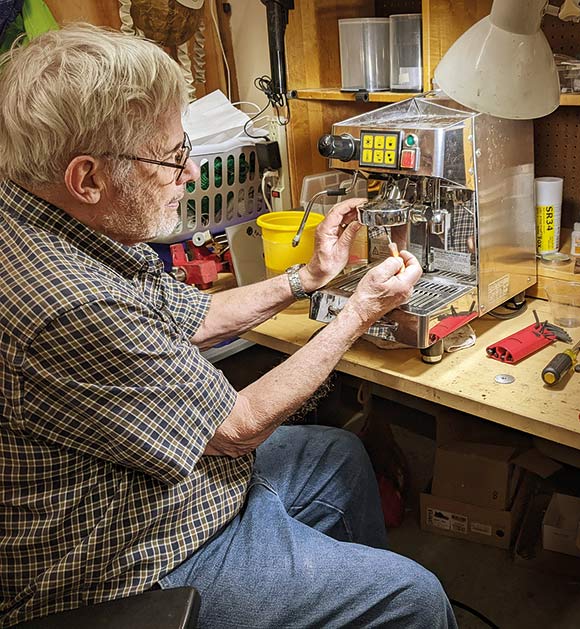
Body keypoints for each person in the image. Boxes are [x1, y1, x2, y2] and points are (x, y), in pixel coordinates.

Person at [0, 23, 457, 629]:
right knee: (414, 598)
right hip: (126, 559)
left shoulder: (66, 226)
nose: (189, 175)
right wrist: (361, 311)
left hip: (156, 489)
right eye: (171, 158)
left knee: (340, 455)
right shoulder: (67, 298)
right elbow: (237, 427)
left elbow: (193, 316)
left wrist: (310, 278)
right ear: (88, 178)